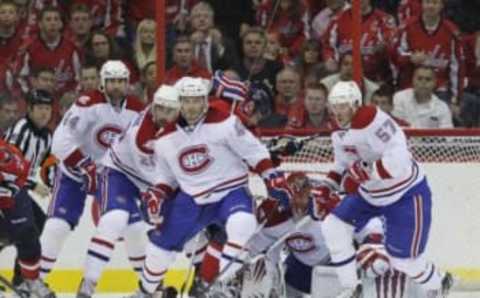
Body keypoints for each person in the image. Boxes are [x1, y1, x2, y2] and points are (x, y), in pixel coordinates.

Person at [126, 77, 287, 297]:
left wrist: (271, 175)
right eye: (187, 101)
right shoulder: (164, 139)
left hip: (230, 191)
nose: (192, 107)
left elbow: (253, 151)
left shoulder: (225, 122)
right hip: (192, 198)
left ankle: (221, 283)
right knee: (160, 246)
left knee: (243, 223)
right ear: (179, 103)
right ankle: (144, 291)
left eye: (197, 101)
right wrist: (158, 193)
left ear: (205, 101)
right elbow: (167, 178)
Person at [319, 81, 453, 297]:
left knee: (403, 261)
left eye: (343, 105)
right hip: (370, 195)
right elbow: (342, 164)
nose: (338, 111)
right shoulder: (337, 130)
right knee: (332, 225)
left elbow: (399, 159)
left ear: (355, 104)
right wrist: (327, 186)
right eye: (334, 105)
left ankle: (438, 281)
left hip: (405, 194)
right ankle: (351, 287)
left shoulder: (374, 121)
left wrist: (365, 173)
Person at [39, 60, 144, 280]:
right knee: (56, 226)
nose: (116, 86)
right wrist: (83, 163)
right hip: (75, 173)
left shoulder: (137, 109)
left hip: (112, 176)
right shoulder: (86, 104)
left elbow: (141, 147)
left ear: (128, 84)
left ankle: (149, 286)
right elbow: (60, 141)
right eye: (112, 81)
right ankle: (36, 281)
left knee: (134, 228)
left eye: (120, 81)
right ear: (103, 84)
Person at [76, 85, 181, 297]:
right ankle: (88, 285)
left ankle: (149, 287)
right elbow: (158, 179)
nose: (162, 115)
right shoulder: (142, 136)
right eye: (159, 108)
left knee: (135, 232)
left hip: (144, 179)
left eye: (169, 111)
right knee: (115, 218)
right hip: (118, 172)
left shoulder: (181, 124)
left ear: (178, 110)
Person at [3, 89, 54, 287]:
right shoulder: (21, 129)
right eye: (40, 108)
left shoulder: (47, 136)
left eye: (48, 108)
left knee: (38, 225)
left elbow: (48, 164)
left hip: (18, 190)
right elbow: (6, 166)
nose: (44, 113)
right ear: (30, 109)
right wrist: (33, 185)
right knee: (22, 229)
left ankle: (21, 277)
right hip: (4, 189)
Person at [0, 138, 56, 297]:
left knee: (31, 230)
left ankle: (27, 281)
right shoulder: (20, 130)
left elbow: (18, 171)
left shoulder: (8, 149)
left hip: (11, 197)